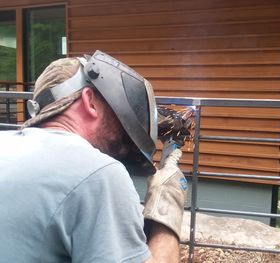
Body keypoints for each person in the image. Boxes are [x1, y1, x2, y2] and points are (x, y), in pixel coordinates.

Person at [0, 50, 187, 263]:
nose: (122, 122)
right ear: (89, 101)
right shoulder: (98, 174)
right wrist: (168, 208)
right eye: (113, 107)